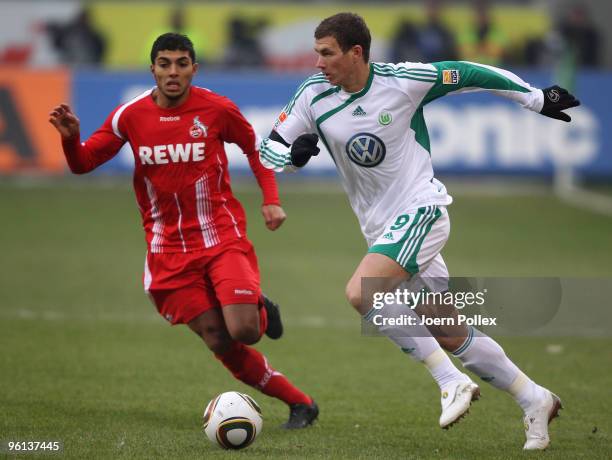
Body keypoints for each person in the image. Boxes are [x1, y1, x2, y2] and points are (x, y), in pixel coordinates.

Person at [259, 12, 579, 450]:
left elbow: (469, 73)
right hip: (381, 230)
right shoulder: (313, 95)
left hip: (422, 210)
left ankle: (450, 381)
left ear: (356, 53)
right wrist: (294, 156)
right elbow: (270, 150)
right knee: (447, 329)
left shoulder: (404, 81)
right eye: (317, 53)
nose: (318, 63)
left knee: (362, 292)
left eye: (327, 53)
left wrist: (536, 99)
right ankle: (534, 397)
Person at [48, 33, 318, 429]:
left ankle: (258, 307)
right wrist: (71, 138)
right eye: (164, 63)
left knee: (245, 331)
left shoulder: (216, 109)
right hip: (168, 251)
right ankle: (301, 404)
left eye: (181, 63)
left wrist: (270, 199)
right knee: (218, 338)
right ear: (153, 68)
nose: (173, 72)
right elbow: (84, 163)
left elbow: (254, 149)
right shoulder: (130, 116)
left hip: (220, 237)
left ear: (194, 67)